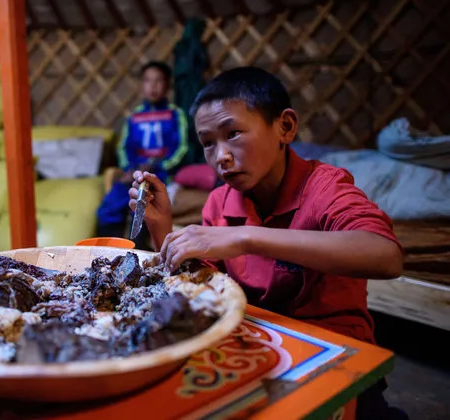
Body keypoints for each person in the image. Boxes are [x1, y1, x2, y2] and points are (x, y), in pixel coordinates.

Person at [129, 67, 407, 419]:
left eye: (234, 134)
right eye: (208, 142)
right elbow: (204, 282)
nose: (221, 156)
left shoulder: (324, 187)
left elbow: (385, 255)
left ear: (285, 128)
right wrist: (162, 226)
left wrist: (245, 237)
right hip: (256, 342)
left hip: (334, 351)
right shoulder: (219, 201)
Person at [96, 61, 188, 248]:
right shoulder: (134, 117)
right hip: (134, 173)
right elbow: (124, 148)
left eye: (158, 81)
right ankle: (106, 252)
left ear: (167, 85)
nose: (153, 86)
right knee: (110, 205)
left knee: (141, 207)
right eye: (147, 81)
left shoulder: (175, 114)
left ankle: (138, 253)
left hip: (161, 173)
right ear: (141, 85)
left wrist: (159, 166)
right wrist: (129, 169)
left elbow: (182, 149)